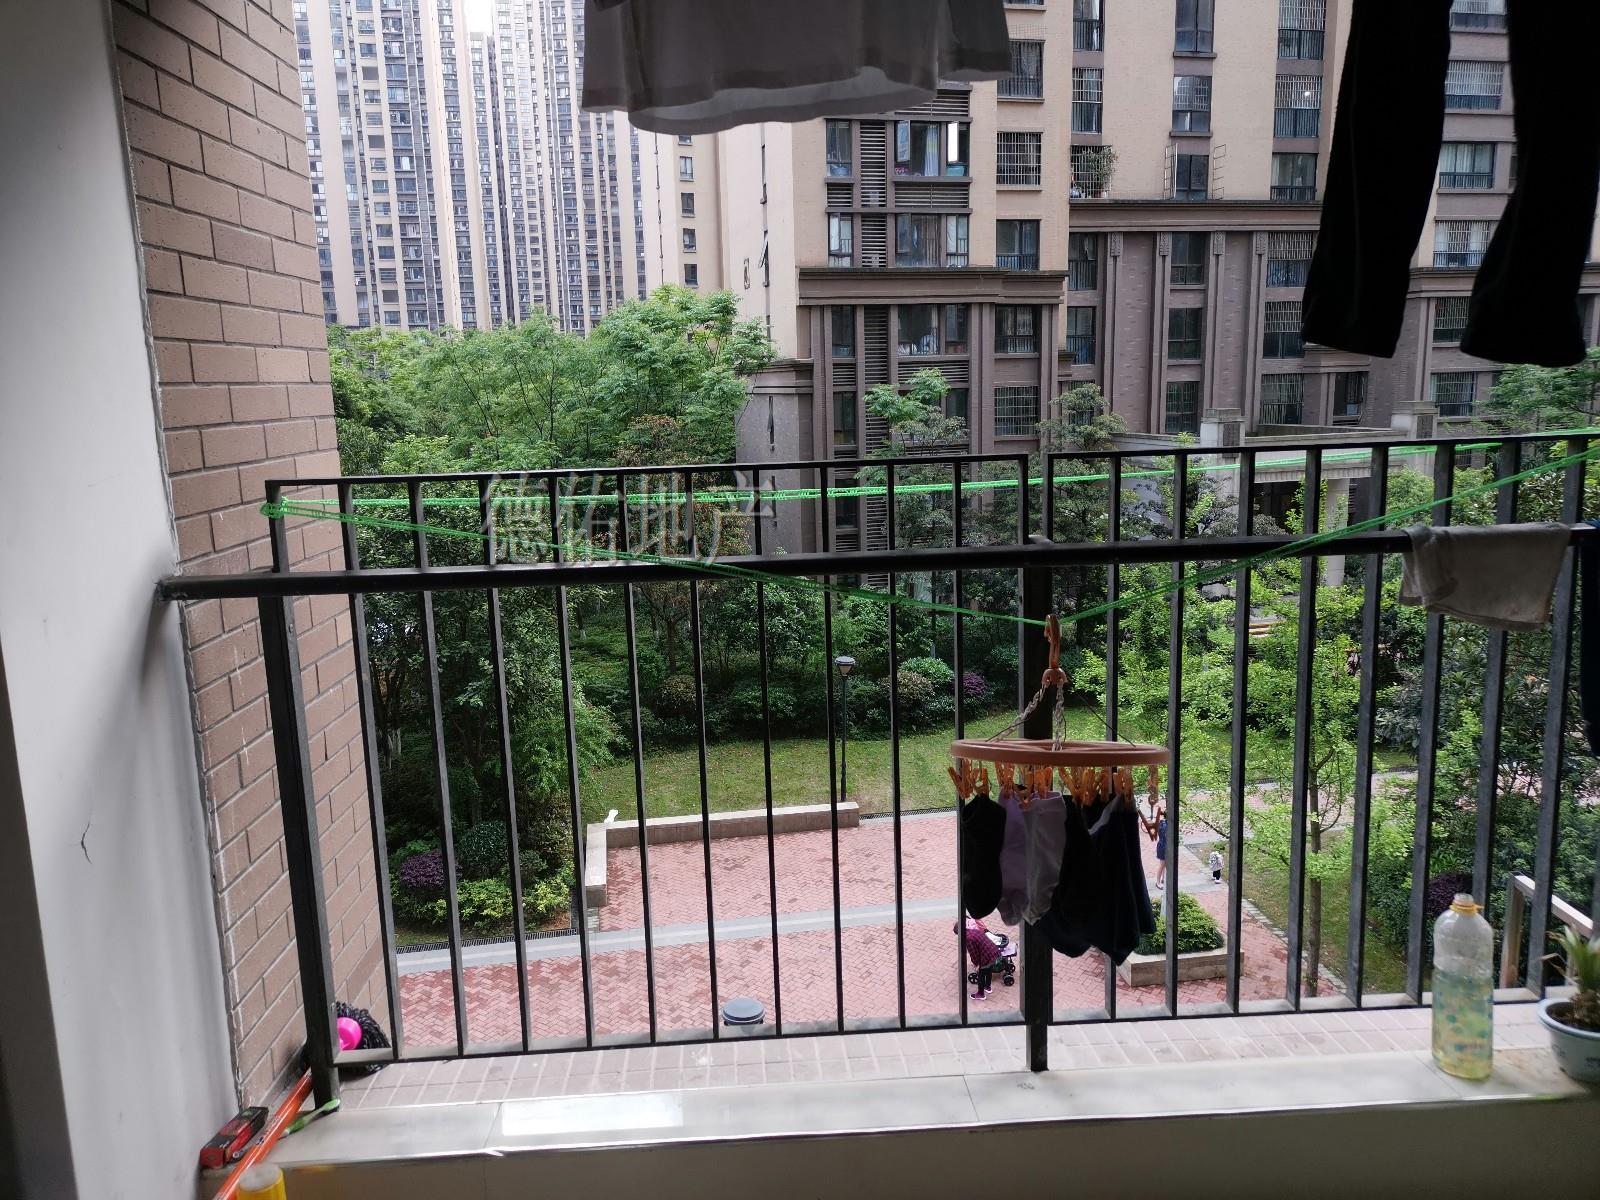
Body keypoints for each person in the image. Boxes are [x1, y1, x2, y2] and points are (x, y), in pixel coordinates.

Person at [961, 915, 1001, 999]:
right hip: (994, 951)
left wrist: (976, 964)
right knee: (989, 969)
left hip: (987, 956)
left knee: (981, 974)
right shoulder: (974, 930)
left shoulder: (968, 938)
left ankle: (980, 994)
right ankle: (988, 987)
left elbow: (974, 953)